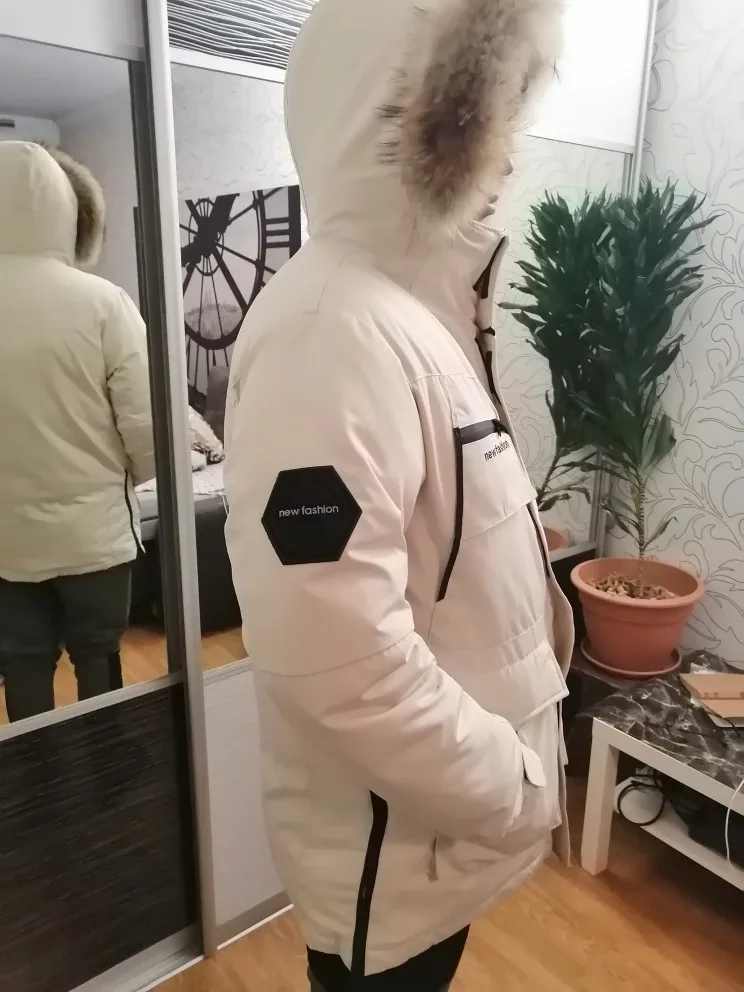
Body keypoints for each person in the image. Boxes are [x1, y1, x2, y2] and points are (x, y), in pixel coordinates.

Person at [224, 1, 575, 988]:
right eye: (488, 112)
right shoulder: (332, 330)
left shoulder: (416, 319)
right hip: (397, 855)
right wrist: (511, 787)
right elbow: (340, 659)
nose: (509, 149)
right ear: (409, 115)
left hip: (435, 840)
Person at [0, 142, 154, 722]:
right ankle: (108, 762)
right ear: (69, 209)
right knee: (98, 654)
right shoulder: (103, 303)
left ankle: (36, 768)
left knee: (22, 660)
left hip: (7, 539)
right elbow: (146, 428)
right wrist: (119, 479)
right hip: (95, 535)